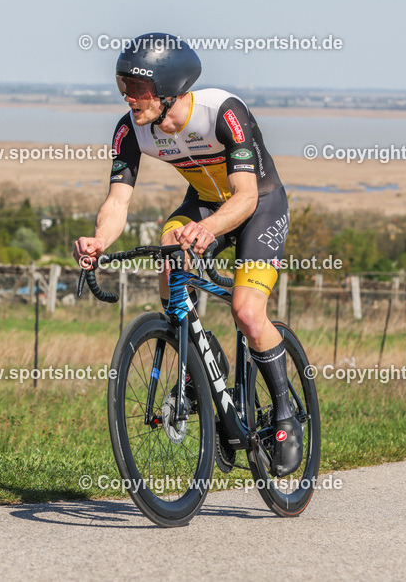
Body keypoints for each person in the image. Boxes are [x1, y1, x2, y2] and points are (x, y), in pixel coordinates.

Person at [73, 32, 301, 477]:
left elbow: (247, 195)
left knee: (248, 312)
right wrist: (100, 239)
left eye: (136, 89)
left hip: (258, 206)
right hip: (202, 204)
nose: (128, 97)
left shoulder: (223, 112)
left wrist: (209, 228)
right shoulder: (132, 129)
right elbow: (118, 201)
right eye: (122, 86)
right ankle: (200, 356)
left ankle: (286, 418)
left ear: (168, 88)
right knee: (169, 255)